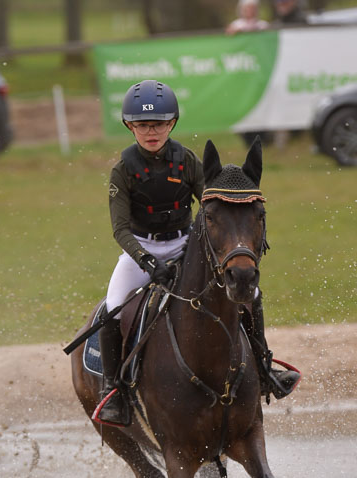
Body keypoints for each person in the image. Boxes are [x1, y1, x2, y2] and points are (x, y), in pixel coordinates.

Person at [97, 79, 299, 424]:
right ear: (130, 126)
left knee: (252, 294)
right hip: (141, 249)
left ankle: (264, 368)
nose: (151, 132)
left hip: (185, 244)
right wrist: (148, 262)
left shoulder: (186, 160)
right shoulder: (123, 169)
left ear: (171, 124)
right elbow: (120, 230)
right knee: (112, 308)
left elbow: (212, 208)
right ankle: (113, 389)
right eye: (143, 125)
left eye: (159, 124)